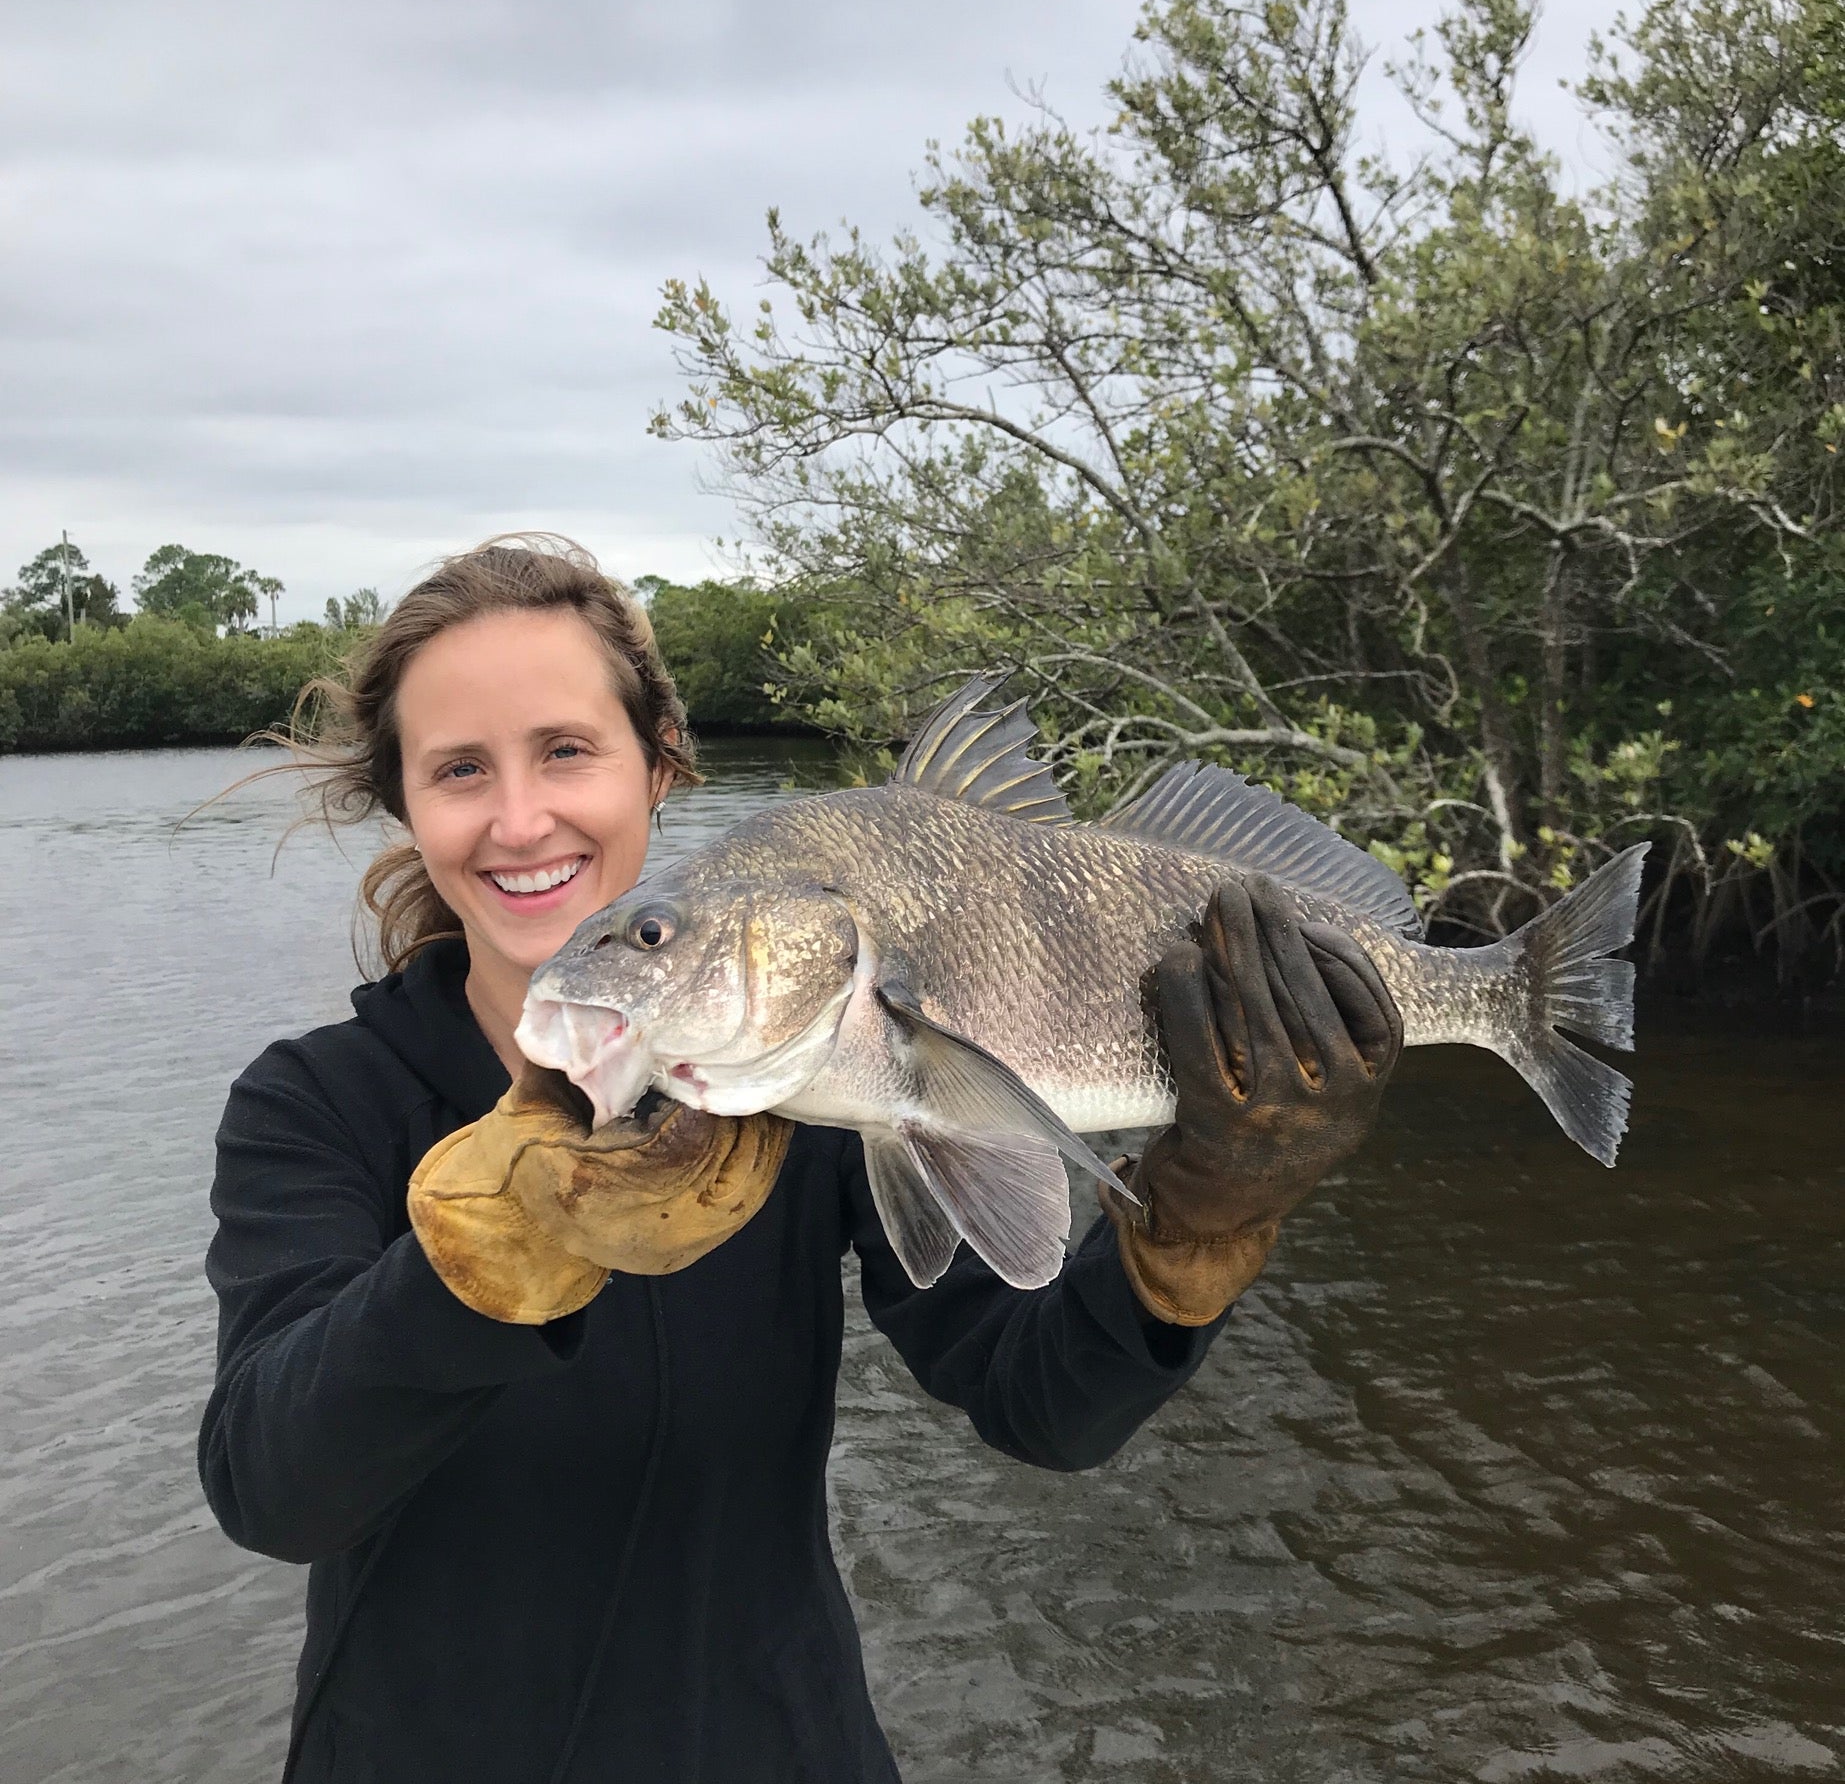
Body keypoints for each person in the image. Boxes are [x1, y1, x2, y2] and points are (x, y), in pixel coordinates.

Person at [199, 536, 1402, 1784]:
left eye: (567, 749)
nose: (520, 818)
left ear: (658, 765)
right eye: (459, 769)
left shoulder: (816, 1086)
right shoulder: (314, 1103)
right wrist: (498, 1245)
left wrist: (1190, 1233)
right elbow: (274, 1486)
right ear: (408, 804)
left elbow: (1044, 1401)